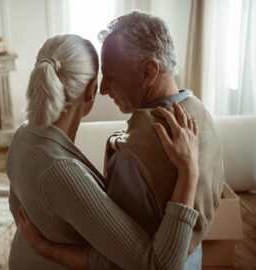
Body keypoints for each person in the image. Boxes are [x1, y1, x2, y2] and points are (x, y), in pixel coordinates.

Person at [17, 11, 224, 270]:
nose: (102, 89)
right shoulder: (202, 114)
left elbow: (121, 261)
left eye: (111, 76)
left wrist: (48, 250)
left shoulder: (132, 158)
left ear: (148, 71)